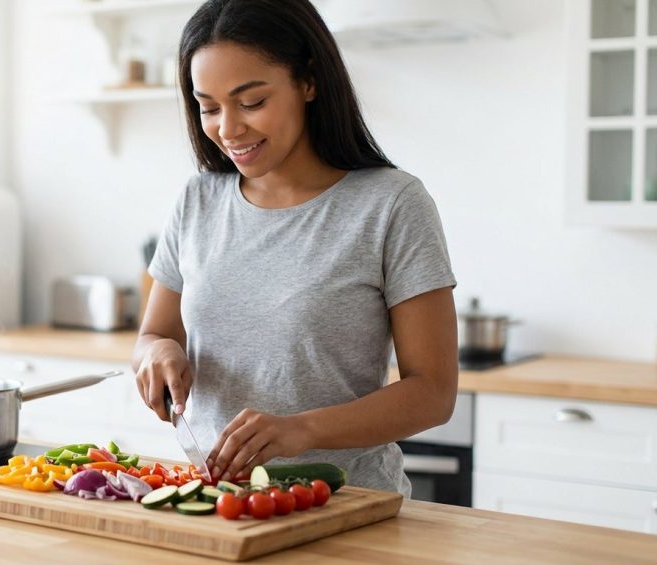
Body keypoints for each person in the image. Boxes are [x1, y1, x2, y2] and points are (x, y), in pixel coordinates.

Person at [131, 0, 458, 496]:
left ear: (308, 81)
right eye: (209, 107)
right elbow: (152, 335)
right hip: (220, 505)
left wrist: (299, 430)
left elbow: (433, 393)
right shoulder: (198, 199)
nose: (228, 129)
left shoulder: (391, 204)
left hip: (348, 509)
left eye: (252, 102)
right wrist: (157, 353)